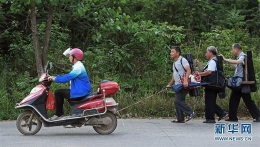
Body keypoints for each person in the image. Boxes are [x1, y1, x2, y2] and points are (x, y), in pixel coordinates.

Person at [48, 48, 92, 120]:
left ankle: (59, 114)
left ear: (75, 57)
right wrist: (55, 77)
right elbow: (68, 75)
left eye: (70, 56)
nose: (69, 57)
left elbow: (67, 78)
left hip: (81, 92)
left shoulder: (78, 67)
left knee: (58, 92)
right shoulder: (78, 66)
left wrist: (55, 79)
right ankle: (60, 114)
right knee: (59, 92)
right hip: (80, 90)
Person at [220, 43, 260, 122]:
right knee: (233, 100)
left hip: (241, 83)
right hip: (239, 83)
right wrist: (231, 63)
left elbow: (239, 62)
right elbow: (239, 67)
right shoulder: (240, 57)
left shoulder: (242, 56)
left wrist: (225, 59)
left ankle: (258, 116)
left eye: (232, 49)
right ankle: (233, 117)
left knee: (247, 100)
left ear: (236, 49)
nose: (232, 51)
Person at [195, 46, 227, 123]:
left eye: (206, 52)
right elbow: (204, 70)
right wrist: (199, 64)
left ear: (210, 53)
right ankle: (221, 113)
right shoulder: (212, 61)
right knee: (210, 101)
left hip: (211, 84)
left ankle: (211, 118)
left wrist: (198, 74)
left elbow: (209, 72)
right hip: (212, 84)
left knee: (209, 101)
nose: (206, 54)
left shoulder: (213, 61)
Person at [166, 46, 195, 123]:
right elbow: (174, 74)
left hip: (183, 84)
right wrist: (170, 84)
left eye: (172, 52)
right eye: (171, 51)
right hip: (177, 85)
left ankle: (190, 112)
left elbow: (188, 70)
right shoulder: (175, 62)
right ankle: (180, 118)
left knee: (178, 100)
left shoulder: (183, 60)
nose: (171, 53)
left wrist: (185, 81)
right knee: (178, 101)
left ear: (178, 53)